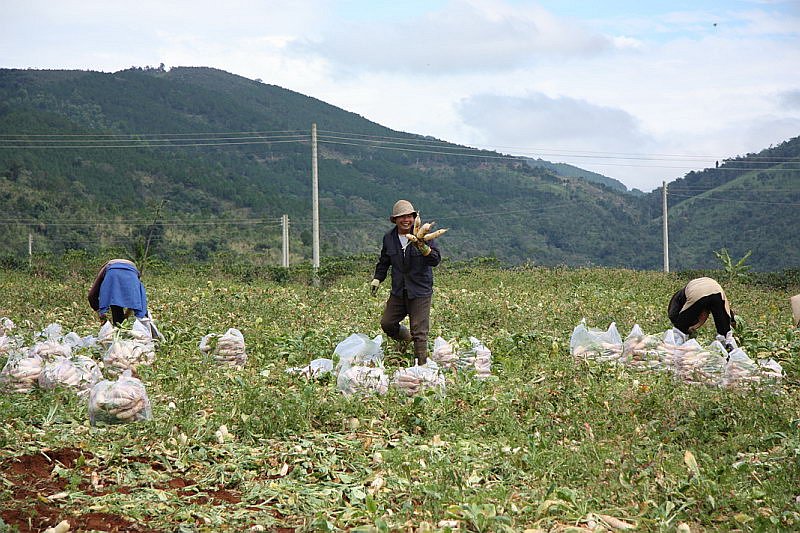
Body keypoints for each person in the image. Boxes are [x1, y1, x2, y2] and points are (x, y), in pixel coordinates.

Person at [370, 200, 441, 364]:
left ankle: (421, 368)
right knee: (387, 323)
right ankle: (406, 338)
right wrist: (377, 278)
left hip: (420, 290)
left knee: (420, 331)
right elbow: (384, 261)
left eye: (409, 216)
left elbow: (435, 260)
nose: (406, 220)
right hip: (399, 290)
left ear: (414, 218)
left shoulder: (423, 237)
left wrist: (424, 248)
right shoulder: (389, 238)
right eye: (401, 217)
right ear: (395, 219)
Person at [668, 276, 737, 351]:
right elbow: (724, 312)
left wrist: (686, 327)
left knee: (680, 327)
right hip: (717, 291)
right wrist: (730, 323)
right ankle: (730, 351)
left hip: (698, 292)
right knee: (724, 331)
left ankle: (676, 350)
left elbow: (676, 317)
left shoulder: (680, 297)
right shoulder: (690, 292)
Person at [88, 259, 148, 325]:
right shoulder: (133, 272)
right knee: (140, 307)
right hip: (131, 271)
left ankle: (118, 326)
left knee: (114, 300)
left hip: (114, 272)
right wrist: (126, 315)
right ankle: (146, 327)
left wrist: (100, 312)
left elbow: (91, 295)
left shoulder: (104, 269)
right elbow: (134, 297)